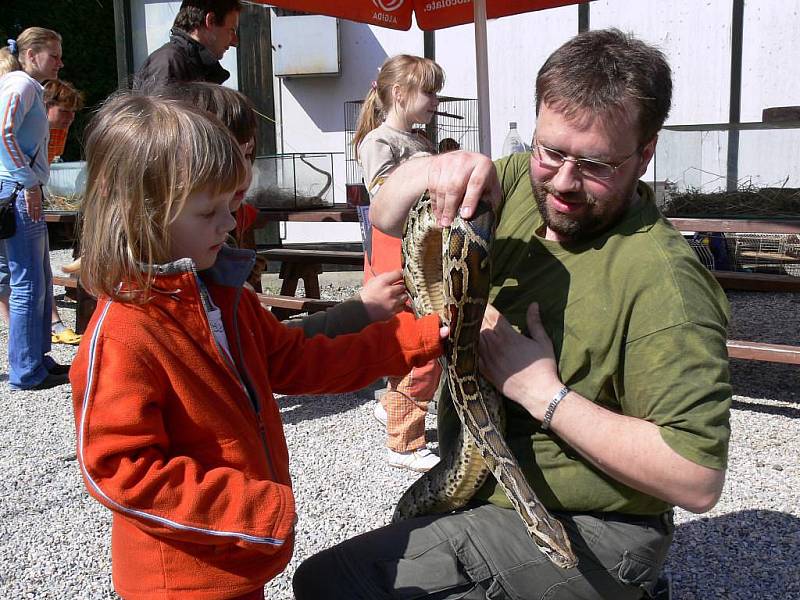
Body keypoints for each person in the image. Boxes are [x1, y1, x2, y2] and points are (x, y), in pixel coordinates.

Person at [293, 29, 732, 600]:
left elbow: (696, 480)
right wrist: (433, 169)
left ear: (646, 152)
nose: (564, 183)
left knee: (337, 584)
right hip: (481, 482)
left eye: (595, 164)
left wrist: (541, 392)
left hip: (590, 525)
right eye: (551, 151)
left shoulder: (666, 283)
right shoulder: (522, 180)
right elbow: (385, 213)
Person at [69, 92, 446, 599]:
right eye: (209, 213)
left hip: (237, 558)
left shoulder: (222, 294)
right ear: (143, 216)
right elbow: (121, 471)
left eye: (232, 207)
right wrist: (254, 510)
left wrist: (416, 338)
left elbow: (297, 361)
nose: (229, 224)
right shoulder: (125, 333)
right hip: (182, 576)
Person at [154, 80, 409, 334]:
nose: (244, 171)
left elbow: (269, 346)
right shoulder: (161, 311)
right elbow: (274, 354)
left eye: (248, 154)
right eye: (232, 156)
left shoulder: (219, 271)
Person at [352, 54, 445, 472]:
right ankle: (404, 442)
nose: (435, 101)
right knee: (423, 344)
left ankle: (395, 406)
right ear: (399, 93)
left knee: (413, 342)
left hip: (421, 256)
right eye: (429, 91)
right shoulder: (379, 143)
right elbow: (385, 199)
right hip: (397, 259)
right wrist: (431, 167)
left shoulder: (420, 141)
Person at [0, 28, 71, 390]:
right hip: (17, 189)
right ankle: (27, 370)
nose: (60, 62)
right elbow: (4, 132)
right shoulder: (22, 85)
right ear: (31, 55)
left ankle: (38, 360)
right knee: (29, 281)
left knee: (37, 276)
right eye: (54, 55)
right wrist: (27, 181)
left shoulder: (26, 86)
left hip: (17, 186)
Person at [43, 78, 84, 344]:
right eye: (64, 111)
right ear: (47, 105)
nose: (70, 118)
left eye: (73, 112)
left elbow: (49, 162)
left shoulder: (59, 129)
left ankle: (52, 322)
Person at [133, 0, 240, 92]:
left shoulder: (188, 64)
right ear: (210, 21)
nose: (235, 42)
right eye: (231, 30)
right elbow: (158, 115)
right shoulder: (167, 64)